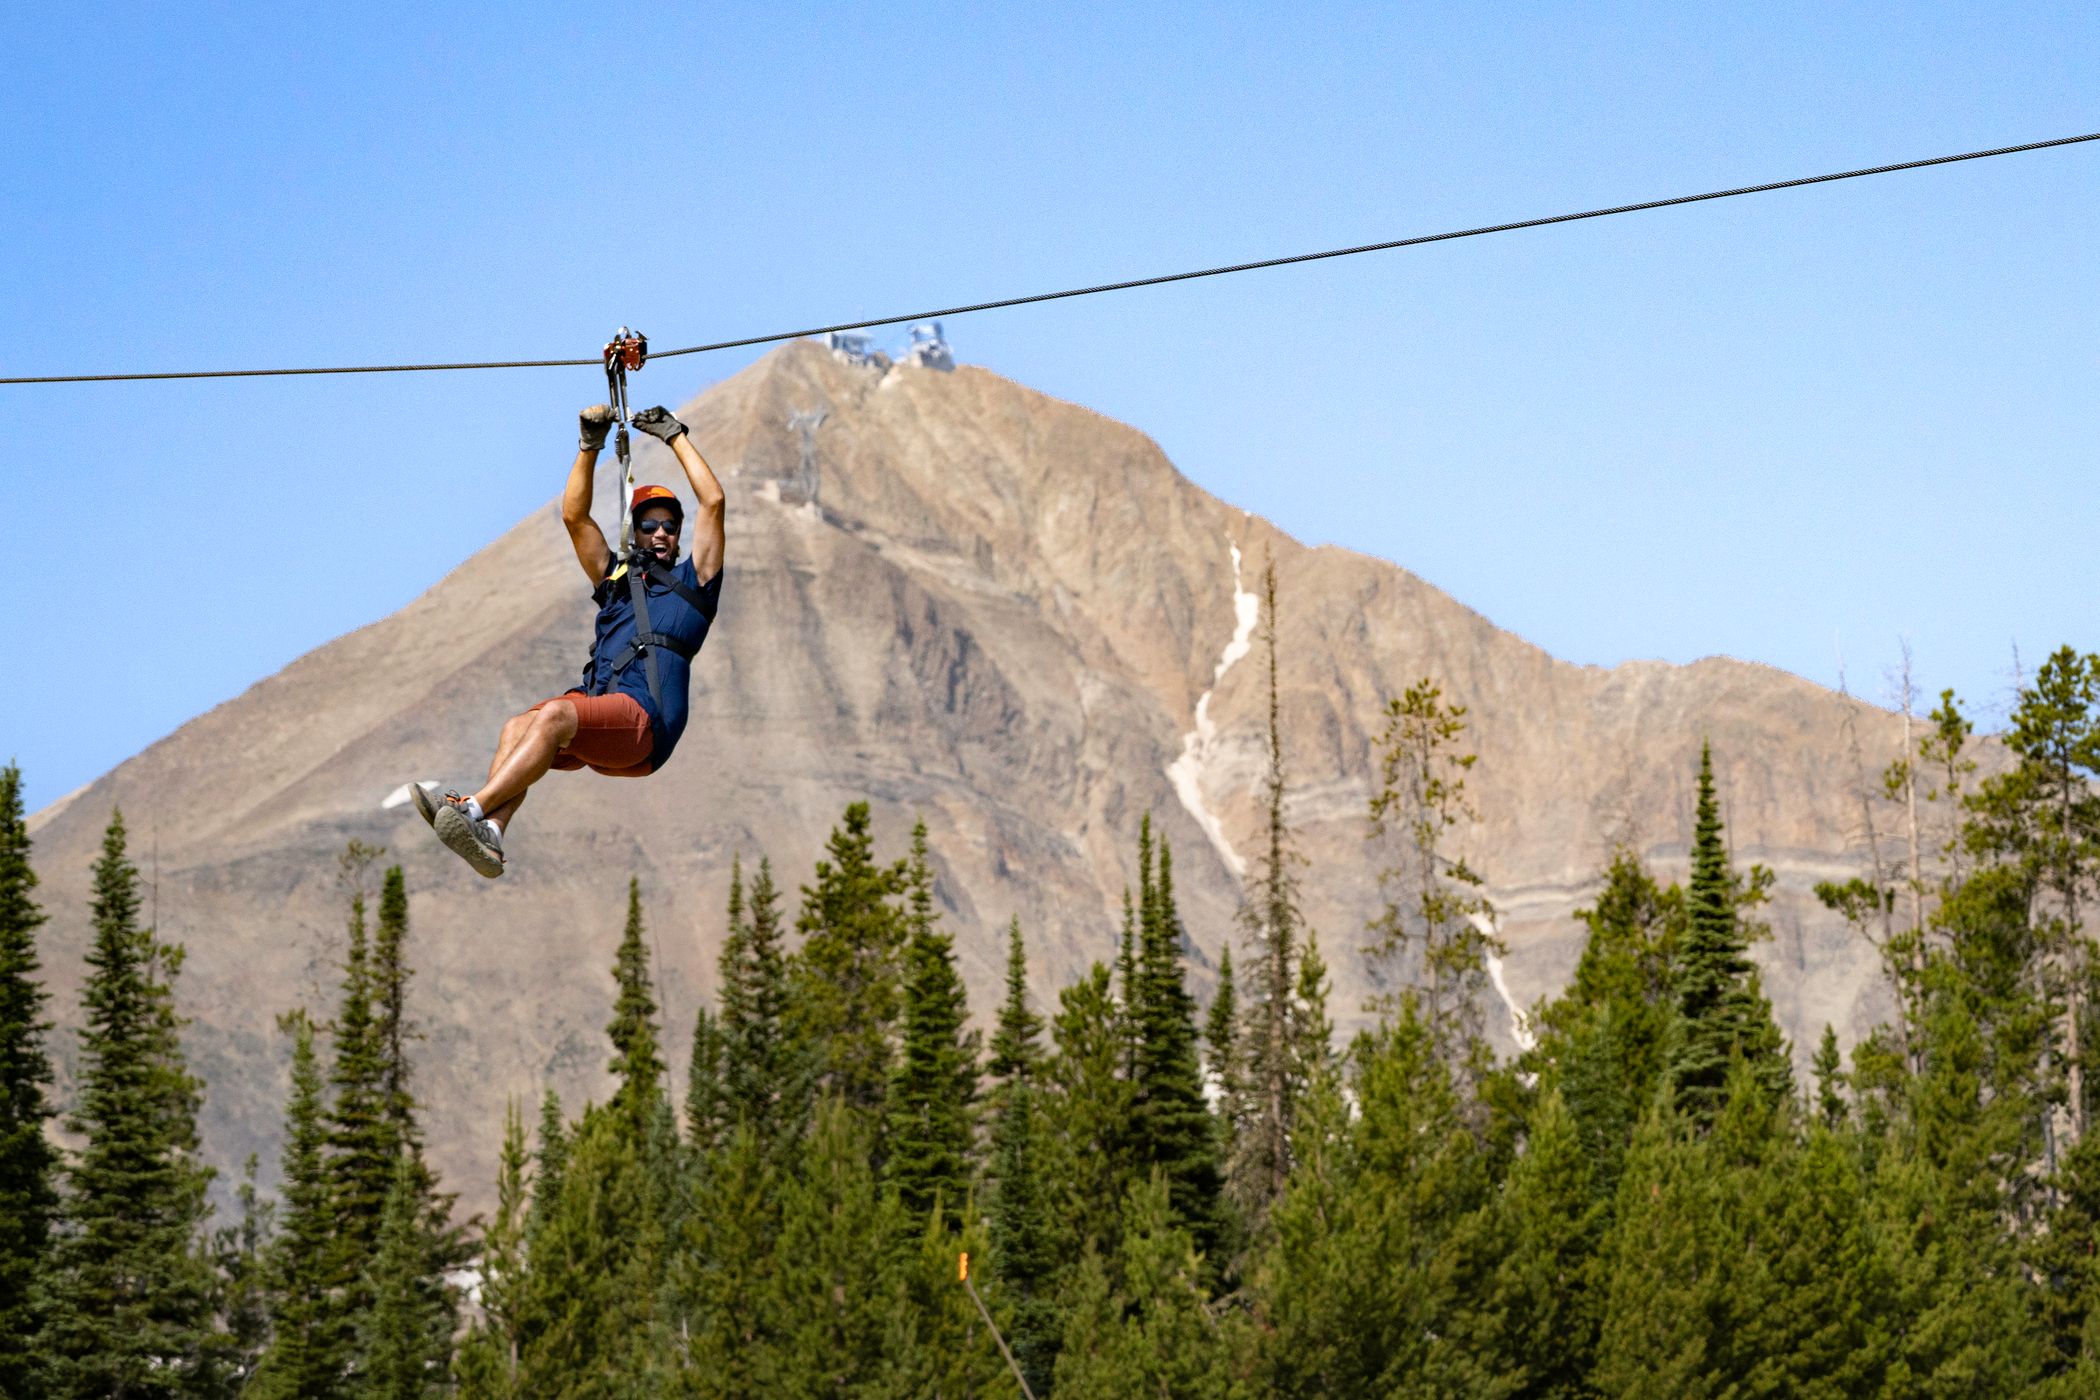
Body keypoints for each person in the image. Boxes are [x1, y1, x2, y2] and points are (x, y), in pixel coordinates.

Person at [412, 402, 726, 876]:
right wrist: (589, 446)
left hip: (646, 724)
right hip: (604, 720)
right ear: (635, 533)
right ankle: (492, 832)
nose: (660, 532)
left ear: (679, 533)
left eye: (669, 525)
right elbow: (575, 517)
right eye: (648, 525)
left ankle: (473, 809)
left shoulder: (695, 584)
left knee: (557, 714)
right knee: (519, 726)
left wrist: (674, 435)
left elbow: (714, 501)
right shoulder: (617, 582)